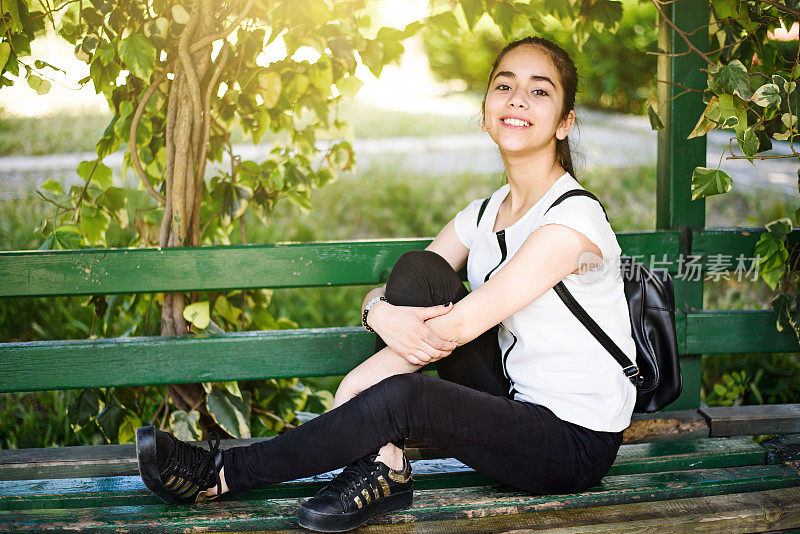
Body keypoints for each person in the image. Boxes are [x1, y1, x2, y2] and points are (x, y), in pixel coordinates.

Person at [135, 35, 637, 533]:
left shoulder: (573, 224)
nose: (517, 100)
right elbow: (405, 287)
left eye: (540, 91)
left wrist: (357, 386)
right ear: (486, 107)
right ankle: (384, 464)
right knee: (420, 270)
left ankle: (222, 474)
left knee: (405, 398)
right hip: (513, 399)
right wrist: (377, 310)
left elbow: (455, 329)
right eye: (504, 85)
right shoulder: (482, 215)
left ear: (565, 121)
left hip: (573, 440)